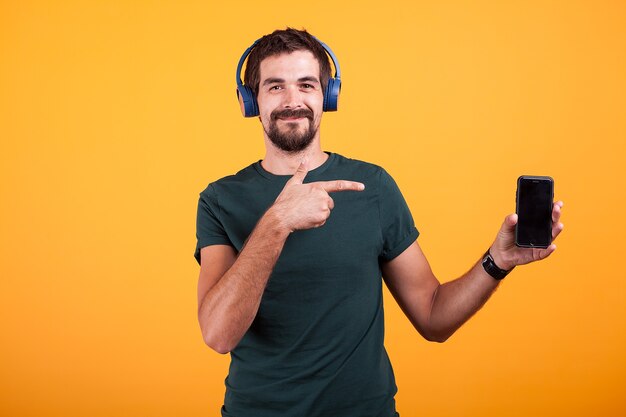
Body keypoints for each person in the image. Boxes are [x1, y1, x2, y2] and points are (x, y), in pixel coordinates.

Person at [194, 28, 564, 417]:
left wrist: (498, 260)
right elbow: (218, 334)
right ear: (249, 101)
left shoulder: (373, 187)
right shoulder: (220, 200)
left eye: (306, 85)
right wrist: (276, 223)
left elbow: (434, 316)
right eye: (274, 87)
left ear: (328, 96)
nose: (292, 100)